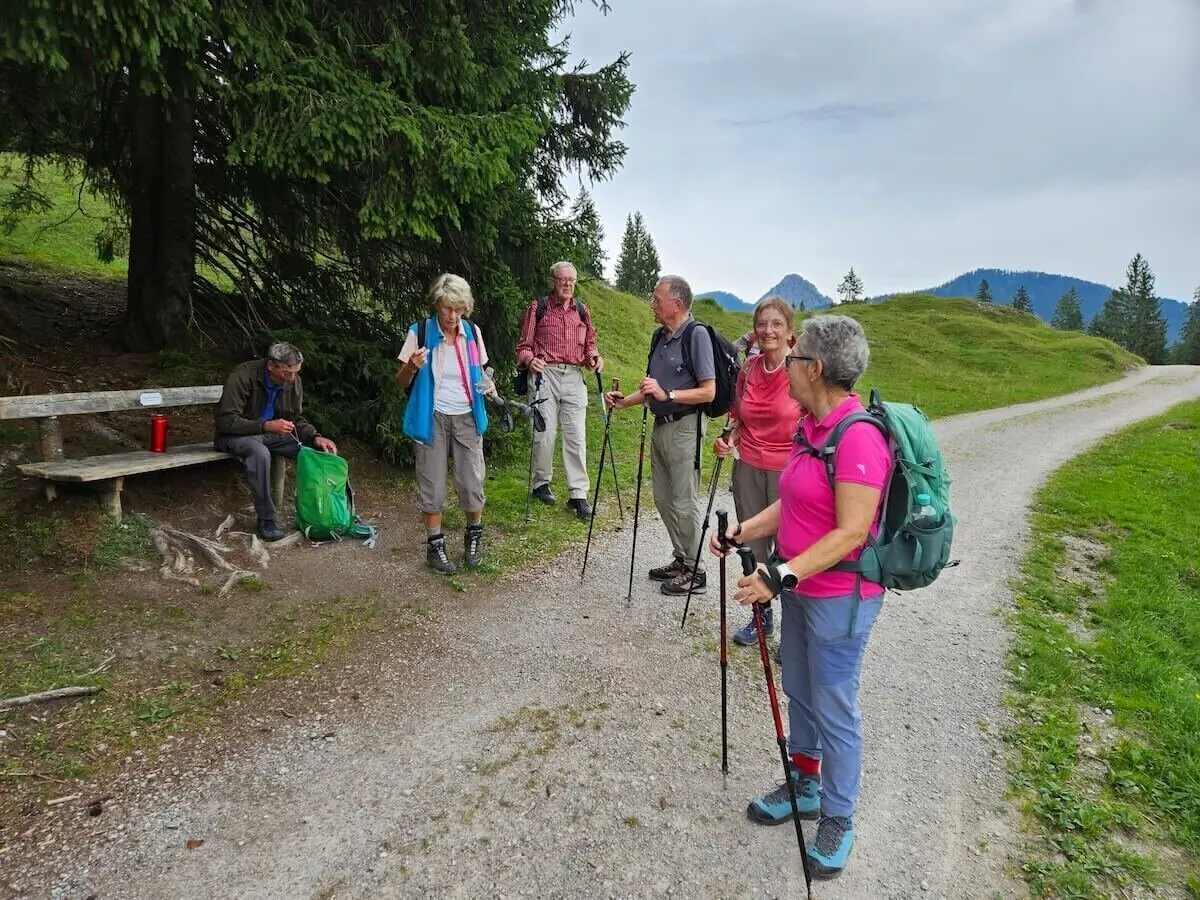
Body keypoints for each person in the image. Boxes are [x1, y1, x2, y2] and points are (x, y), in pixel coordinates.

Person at [709, 314, 892, 880]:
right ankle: (806, 785)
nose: (783, 362)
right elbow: (794, 503)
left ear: (813, 368)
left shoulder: (857, 435)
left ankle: (838, 815)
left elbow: (850, 531)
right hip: (803, 590)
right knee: (800, 687)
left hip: (841, 596)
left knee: (835, 704)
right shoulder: (811, 429)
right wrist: (744, 531)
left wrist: (779, 574)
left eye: (795, 357)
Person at [606, 275, 715, 596]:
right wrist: (625, 402)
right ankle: (682, 559)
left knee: (684, 500)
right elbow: (653, 387)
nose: (652, 304)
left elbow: (709, 392)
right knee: (664, 498)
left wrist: (669, 394)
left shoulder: (696, 336)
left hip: (686, 425)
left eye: (657, 299)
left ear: (677, 305)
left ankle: (696, 570)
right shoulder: (659, 336)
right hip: (661, 424)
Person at [714, 296, 802, 645]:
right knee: (752, 545)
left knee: (792, 548)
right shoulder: (749, 369)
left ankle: (795, 631)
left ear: (790, 331)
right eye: (762, 323)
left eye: (776, 324)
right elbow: (737, 414)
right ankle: (761, 617)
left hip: (790, 471)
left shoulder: (800, 369)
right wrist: (728, 438)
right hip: (748, 466)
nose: (768, 330)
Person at [396, 273, 490, 575]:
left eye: (458, 309)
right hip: (431, 416)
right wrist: (411, 366)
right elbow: (400, 383)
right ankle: (435, 546)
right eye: (447, 308)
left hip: (467, 416)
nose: (452, 316)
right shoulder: (420, 332)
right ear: (437, 303)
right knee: (432, 484)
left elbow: (484, 372)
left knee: (472, 482)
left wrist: (490, 385)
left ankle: (473, 536)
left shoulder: (473, 332)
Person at [214, 342, 338, 542]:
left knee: (316, 452)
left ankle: (321, 513)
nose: (291, 378)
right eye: (286, 373)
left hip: (271, 435)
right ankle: (267, 519)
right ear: (271, 365)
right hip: (236, 436)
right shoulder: (243, 376)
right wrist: (265, 426)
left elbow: (296, 419)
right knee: (260, 453)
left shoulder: (293, 381)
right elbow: (226, 421)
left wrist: (316, 436)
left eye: (296, 373)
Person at [514, 261, 604, 520]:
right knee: (545, 433)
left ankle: (578, 494)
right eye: (562, 279)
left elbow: (590, 345)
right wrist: (530, 360)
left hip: (574, 376)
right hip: (545, 374)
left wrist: (594, 358)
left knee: (576, 436)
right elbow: (523, 346)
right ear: (553, 281)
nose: (567, 284)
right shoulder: (538, 308)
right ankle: (541, 483)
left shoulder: (582, 311)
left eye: (571, 280)